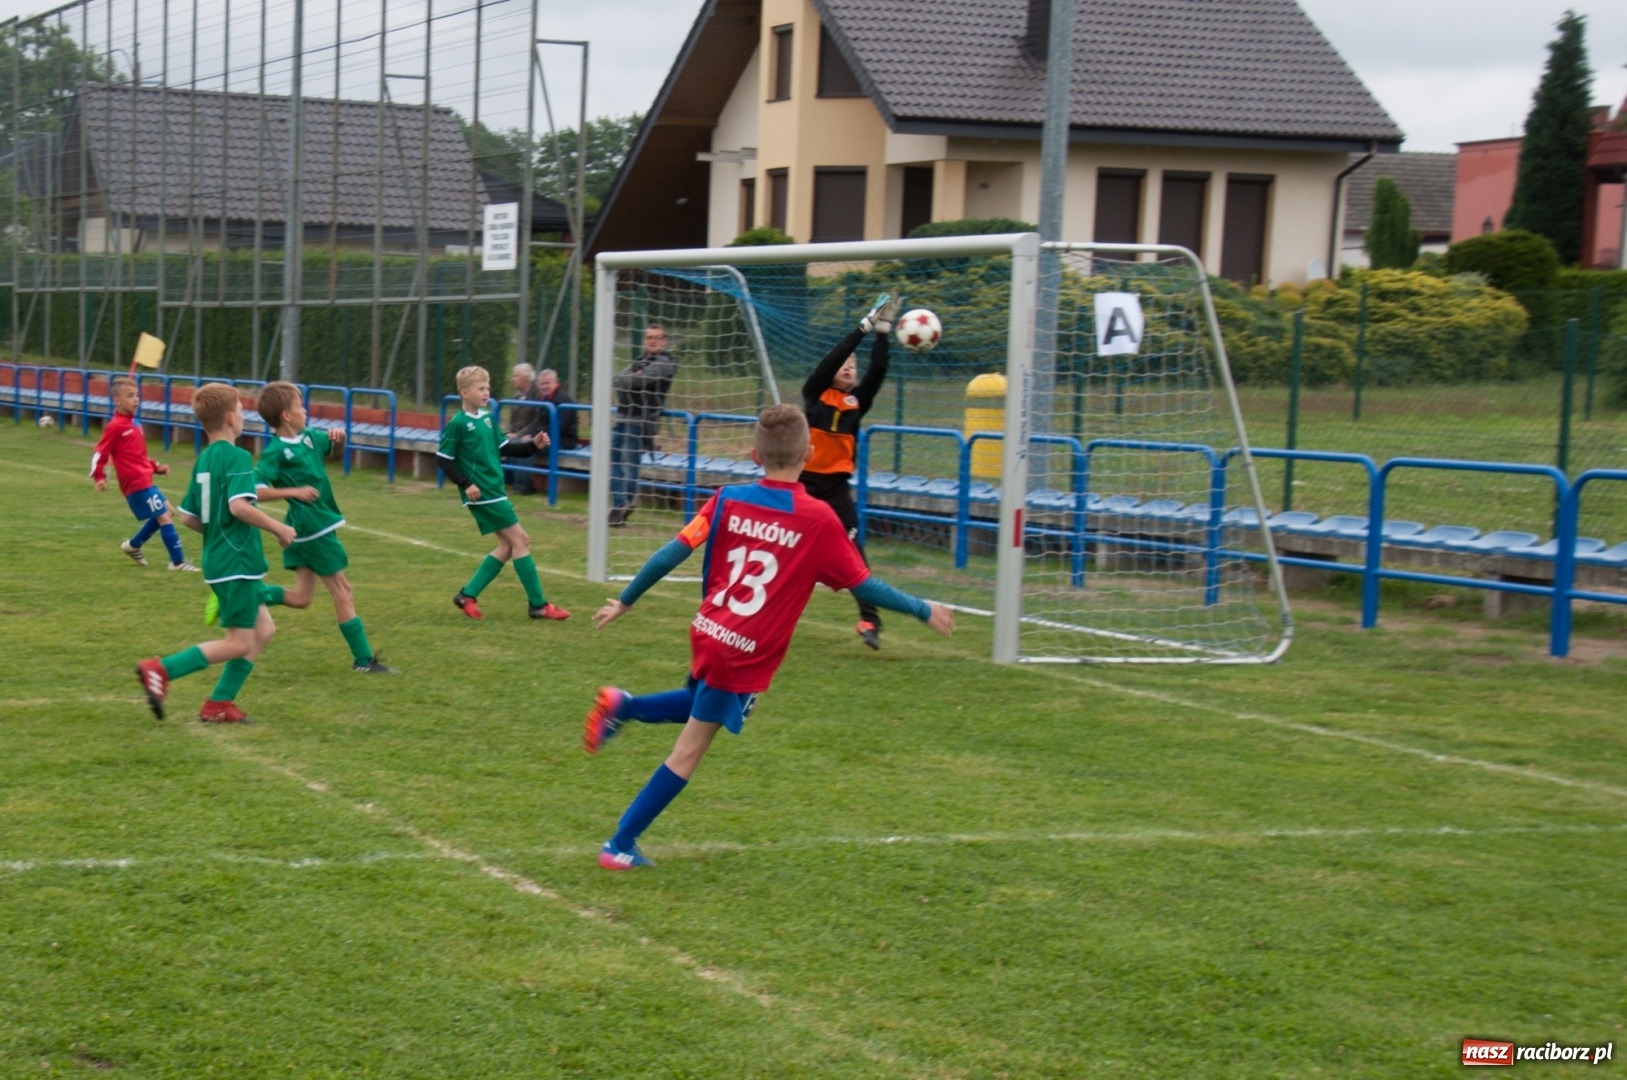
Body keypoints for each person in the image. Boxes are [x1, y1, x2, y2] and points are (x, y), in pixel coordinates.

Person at [582, 404, 955, 870]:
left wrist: (626, 600)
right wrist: (923, 608)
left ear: (754, 455)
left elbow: (670, 552)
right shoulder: (819, 519)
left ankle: (625, 706)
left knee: (703, 704)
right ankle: (619, 843)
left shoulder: (726, 498)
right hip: (744, 649)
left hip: (710, 629)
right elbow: (864, 587)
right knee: (691, 749)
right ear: (812, 453)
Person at [134, 383, 296, 724]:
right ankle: (160, 669)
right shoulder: (236, 456)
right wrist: (279, 528)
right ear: (229, 417)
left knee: (263, 629)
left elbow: (189, 516)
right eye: (240, 409)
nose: (243, 415)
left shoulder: (205, 459)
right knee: (238, 643)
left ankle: (219, 703)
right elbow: (239, 507)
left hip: (223, 560)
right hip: (237, 562)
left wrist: (219, 534)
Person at [246, 381, 394, 673]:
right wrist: (294, 492)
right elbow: (255, 489)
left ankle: (250, 595)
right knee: (343, 591)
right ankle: (364, 661)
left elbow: (336, 450)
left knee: (302, 598)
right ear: (286, 416)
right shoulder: (276, 451)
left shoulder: (310, 438)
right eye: (300, 406)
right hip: (312, 526)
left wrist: (340, 439)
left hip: (313, 524)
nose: (305, 410)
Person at [800, 292, 903, 651]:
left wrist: (883, 332)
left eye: (852, 365)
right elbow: (829, 362)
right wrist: (863, 327)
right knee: (784, 548)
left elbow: (878, 370)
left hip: (836, 490)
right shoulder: (814, 394)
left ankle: (870, 620)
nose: (848, 367)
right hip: (802, 486)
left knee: (855, 554)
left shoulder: (856, 402)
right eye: (844, 362)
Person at [437, 364, 570, 622]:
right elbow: (443, 459)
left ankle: (467, 595)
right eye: (480, 388)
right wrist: (467, 484)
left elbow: (507, 448)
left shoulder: (486, 418)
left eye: (488, 387)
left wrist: (533, 445)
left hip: (494, 490)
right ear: (464, 392)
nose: (486, 392)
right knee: (521, 539)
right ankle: (538, 605)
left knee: (508, 545)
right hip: (482, 493)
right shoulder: (458, 423)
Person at [90, 376, 198, 572]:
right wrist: (99, 476)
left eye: (137, 395)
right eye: (130, 396)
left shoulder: (134, 424)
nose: (136, 400)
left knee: (168, 513)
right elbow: (100, 452)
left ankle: (134, 545)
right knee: (165, 517)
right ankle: (177, 562)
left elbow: (139, 457)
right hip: (135, 484)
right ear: (117, 401)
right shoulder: (115, 427)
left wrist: (156, 467)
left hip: (145, 480)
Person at [608, 324, 677, 527]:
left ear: (664, 341)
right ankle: (619, 506)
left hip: (641, 422)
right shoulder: (639, 361)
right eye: (649, 337)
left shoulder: (667, 363)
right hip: (622, 418)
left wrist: (629, 380)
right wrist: (629, 380)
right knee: (613, 463)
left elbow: (640, 380)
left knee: (629, 466)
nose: (652, 341)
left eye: (657, 337)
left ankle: (624, 505)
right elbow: (619, 379)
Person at [504, 363, 543, 495]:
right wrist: (510, 432)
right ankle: (506, 480)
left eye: (516, 376)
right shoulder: (517, 395)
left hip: (529, 434)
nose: (513, 379)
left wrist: (518, 434)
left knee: (519, 444)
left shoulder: (537, 394)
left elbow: (536, 420)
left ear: (526, 378)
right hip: (516, 433)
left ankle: (522, 486)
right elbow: (513, 420)